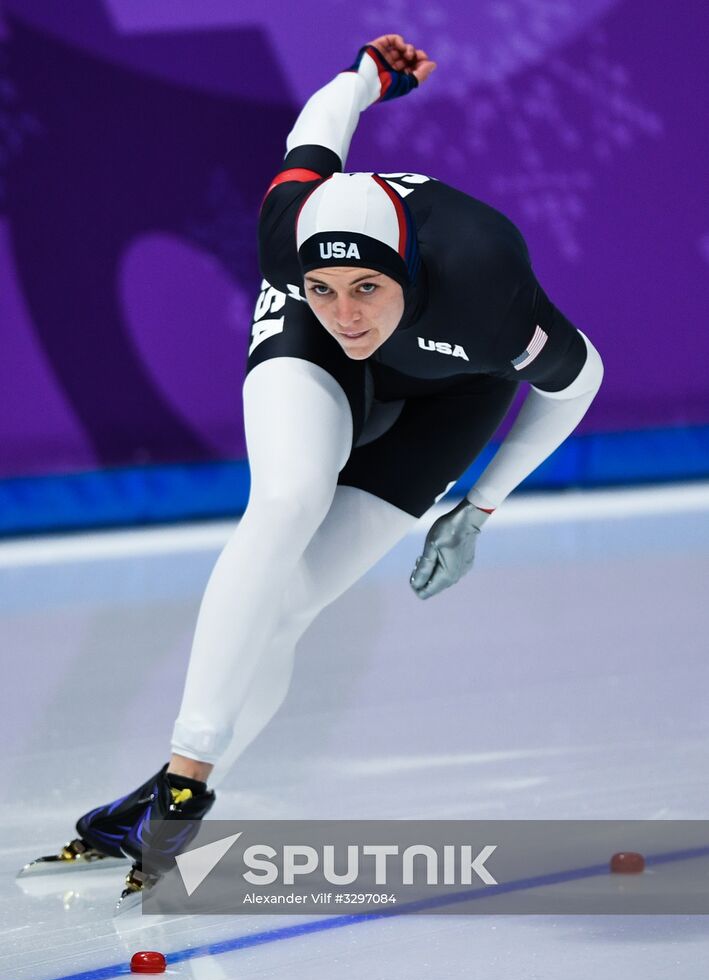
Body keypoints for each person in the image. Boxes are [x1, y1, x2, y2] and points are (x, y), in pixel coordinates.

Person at [32, 35, 603, 902]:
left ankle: (159, 798)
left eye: (367, 290)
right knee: (290, 496)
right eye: (327, 287)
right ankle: (183, 788)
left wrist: (478, 507)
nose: (346, 311)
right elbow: (319, 130)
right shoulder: (288, 242)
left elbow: (580, 380)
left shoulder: (487, 288)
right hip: (310, 362)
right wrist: (366, 76)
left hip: (452, 395)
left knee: (291, 607)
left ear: (410, 275)